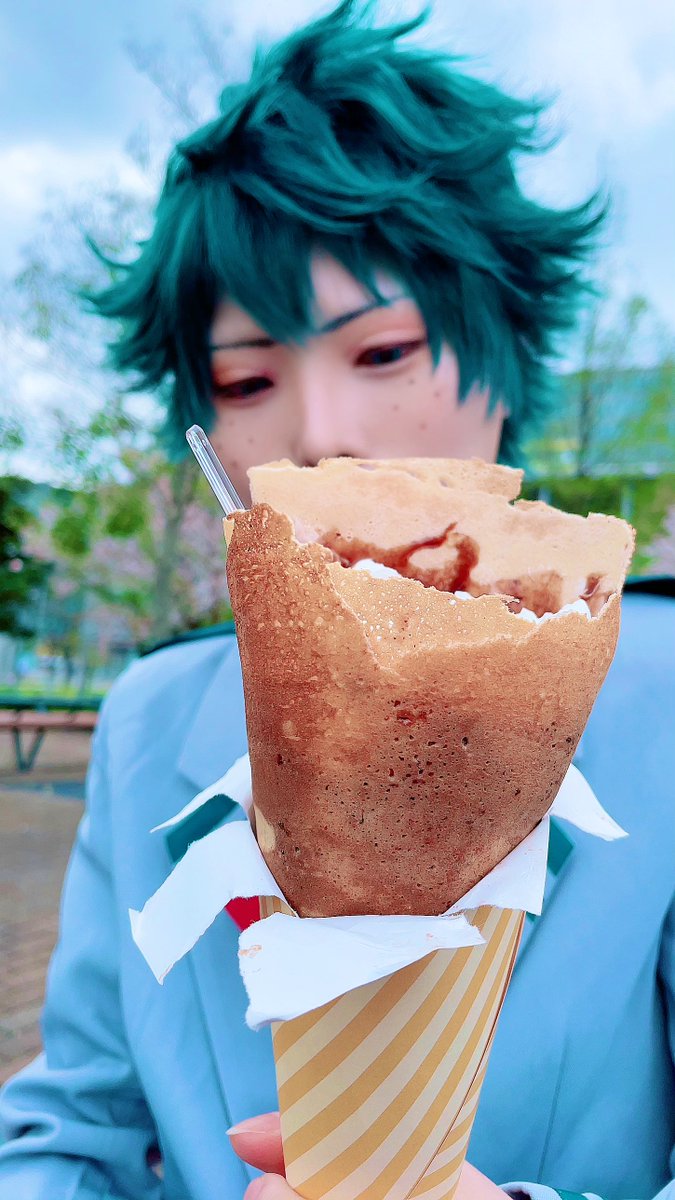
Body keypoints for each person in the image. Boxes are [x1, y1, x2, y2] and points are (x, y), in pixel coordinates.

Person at [1, 3, 673, 1198]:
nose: (321, 434)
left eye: (385, 352)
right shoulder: (149, 721)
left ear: (502, 365)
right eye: (247, 378)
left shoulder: (665, 704)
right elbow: (70, 1127)